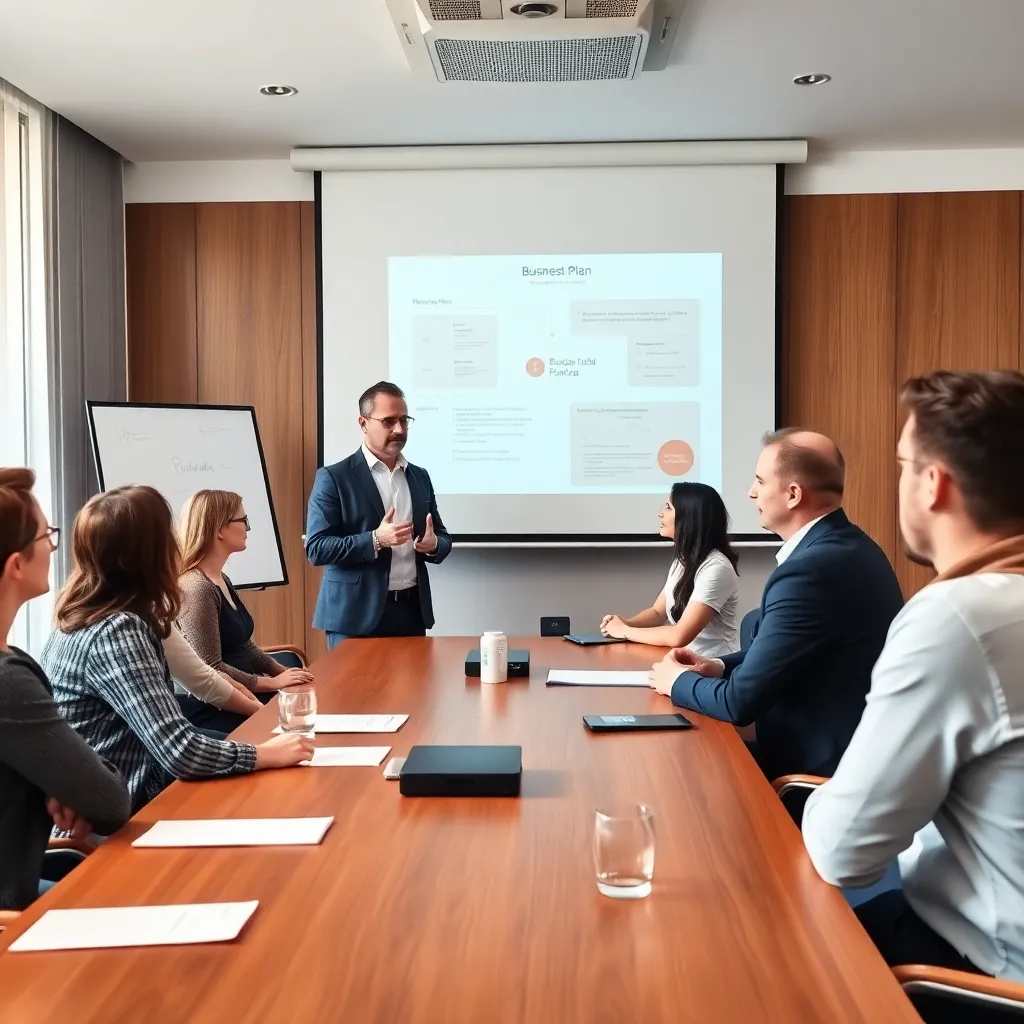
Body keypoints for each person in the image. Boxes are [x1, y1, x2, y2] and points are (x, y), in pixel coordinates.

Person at [804, 370, 1024, 984]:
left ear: (934, 484)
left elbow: (843, 851)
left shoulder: (959, 616)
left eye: (902, 464)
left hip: (980, 971)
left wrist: (836, 794)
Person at [649, 428, 904, 781]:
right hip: (853, 757)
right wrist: (718, 666)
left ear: (793, 494)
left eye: (759, 481)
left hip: (812, 777)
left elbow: (739, 704)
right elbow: (793, 649)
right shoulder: (851, 547)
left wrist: (675, 681)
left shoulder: (810, 570)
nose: (751, 493)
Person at [41, 485, 313, 813]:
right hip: (129, 810)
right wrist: (264, 753)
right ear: (154, 550)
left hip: (126, 794)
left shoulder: (83, 612)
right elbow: (180, 751)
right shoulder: (118, 630)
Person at [0, 468, 130, 910]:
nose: (55, 548)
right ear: (16, 565)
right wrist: (68, 787)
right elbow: (111, 802)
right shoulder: (8, 681)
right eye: (46, 536)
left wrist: (52, 785)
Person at [306, 381, 452, 649]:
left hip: (410, 613)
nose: (399, 429)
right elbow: (316, 549)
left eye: (404, 420)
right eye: (388, 422)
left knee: (414, 693)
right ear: (363, 423)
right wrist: (375, 539)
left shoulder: (419, 476)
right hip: (354, 618)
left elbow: (442, 537)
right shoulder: (333, 478)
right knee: (355, 693)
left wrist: (433, 546)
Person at [177, 489, 312, 731]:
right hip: (221, 708)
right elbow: (211, 667)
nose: (247, 529)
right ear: (219, 529)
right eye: (243, 521)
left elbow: (244, 646)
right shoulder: (196, 587)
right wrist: (271, 684)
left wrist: (284, 673)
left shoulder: (220, 578)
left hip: (247, 694)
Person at [599, 482, 740, 655]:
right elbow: (657, 613)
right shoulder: (683, 560)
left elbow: (679, 636)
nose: (660, 513)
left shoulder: (717, 568)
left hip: (714, 670)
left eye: (668, 507)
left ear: (689, 517)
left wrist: (625, 631)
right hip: (684, 662)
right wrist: (626, 623)